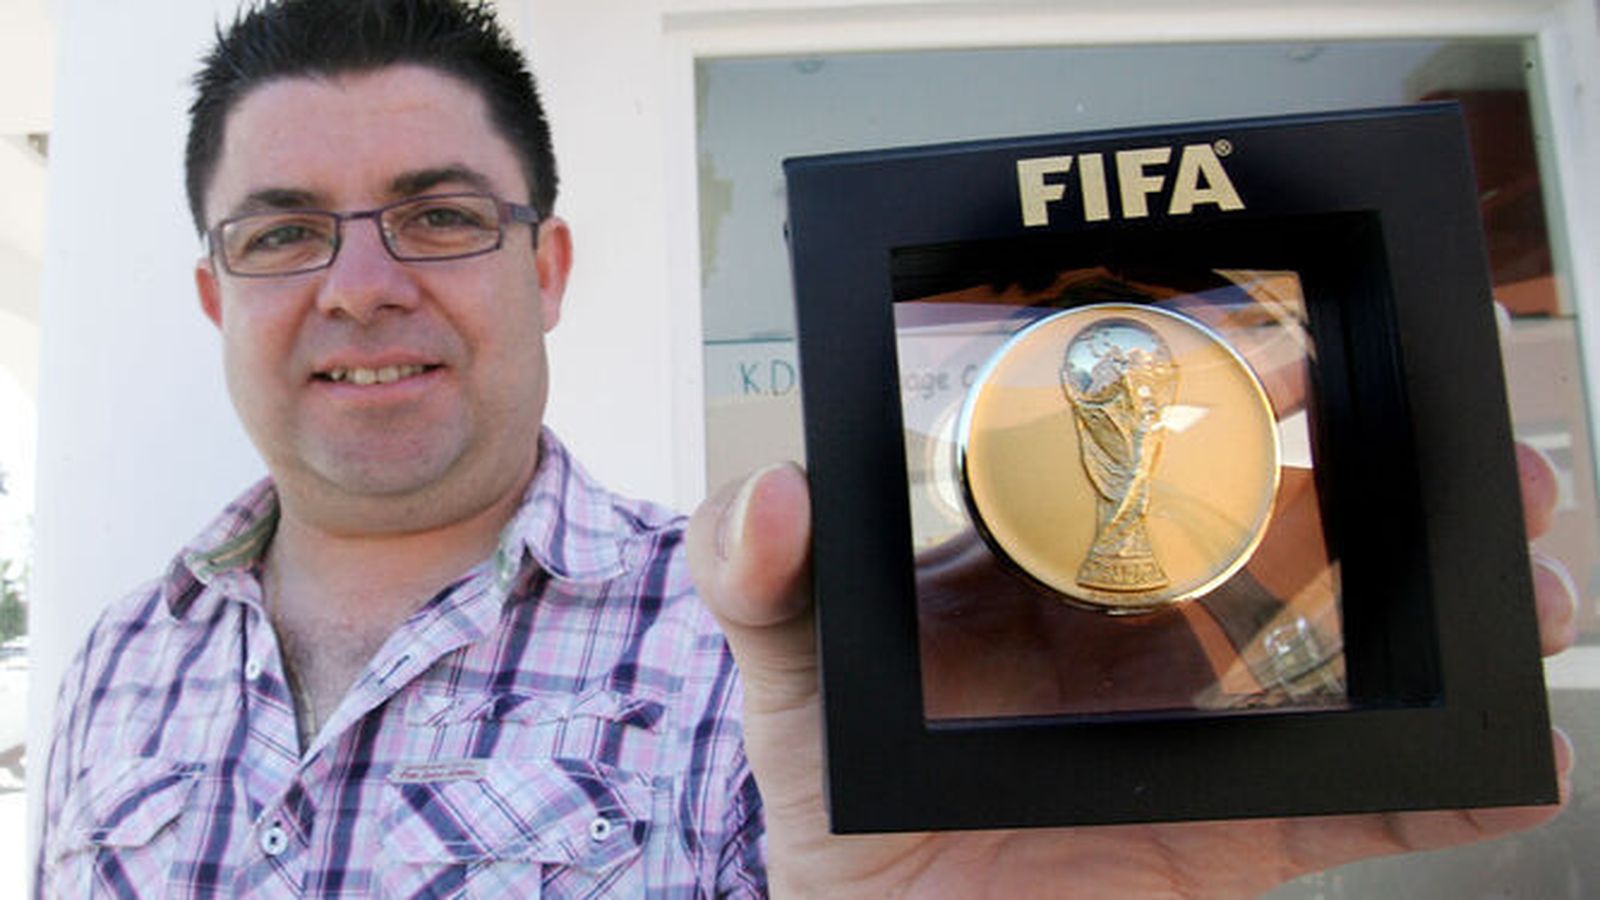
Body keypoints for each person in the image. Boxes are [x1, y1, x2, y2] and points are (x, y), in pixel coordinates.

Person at [36, 0, 1577, 896]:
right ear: (212, 291)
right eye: (283, 230)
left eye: (441, 215)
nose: (362, 284)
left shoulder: (787, 665)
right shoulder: (111, 660)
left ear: (548, 269)